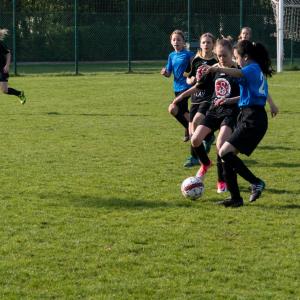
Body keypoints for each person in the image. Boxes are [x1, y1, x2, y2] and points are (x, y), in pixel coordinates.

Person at [204, 40, 278, 207]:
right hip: (249, 116)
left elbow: (238, 74)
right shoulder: (255, 69)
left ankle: (256, 182)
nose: (236, 61)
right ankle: (236, 198)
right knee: (227, 157)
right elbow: (255, 89)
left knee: (224, 152)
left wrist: (217, 68)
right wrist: (229, 99)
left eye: (237, 57)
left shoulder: (250, 68)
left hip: (252, 118)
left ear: (245, 57)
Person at [173, 37, 240, 194]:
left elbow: (246, 96)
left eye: (225, 55)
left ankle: (221, 180)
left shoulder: (237, 72)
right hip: (214, 111)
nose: (222, 59)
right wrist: (181, 97)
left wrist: (229, 100)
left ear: (232, 54)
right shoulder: (213, 69)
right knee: (195, 139)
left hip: (230, 113)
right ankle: (205, 163)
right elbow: (198, 86)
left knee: (220, 145)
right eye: (219, 56)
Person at [182, 32, 218, 168]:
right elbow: (188, 77)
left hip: (208, 97)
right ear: (200, 44)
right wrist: (191, 80)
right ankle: (195, 155)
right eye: (203, 42)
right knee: (192, 130)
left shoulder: (216, 61)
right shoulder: (195, 60)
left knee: (197, 121)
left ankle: (198, 154)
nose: (206, 45)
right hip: (195, 98)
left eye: (209, 42)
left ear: (213, 44)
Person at [161, 30, 193, 142]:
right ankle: (192, 130)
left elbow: (194, 71)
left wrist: (191, 77)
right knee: (184, 112)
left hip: (187, 87)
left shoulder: (189, 55)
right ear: (171, 42)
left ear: (183, 42)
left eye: (179, 39)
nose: (176, 42)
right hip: (176, 87)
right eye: (174, 40)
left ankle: (190, 130)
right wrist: (165, 73)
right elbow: (169, 73)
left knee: (173, 108)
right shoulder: (171, 55)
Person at [0, 28, 26, 104]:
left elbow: (8, 54)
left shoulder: (0, 44)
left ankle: (19, 94)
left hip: (2, 69)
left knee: (4, 90)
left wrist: (7, 65)